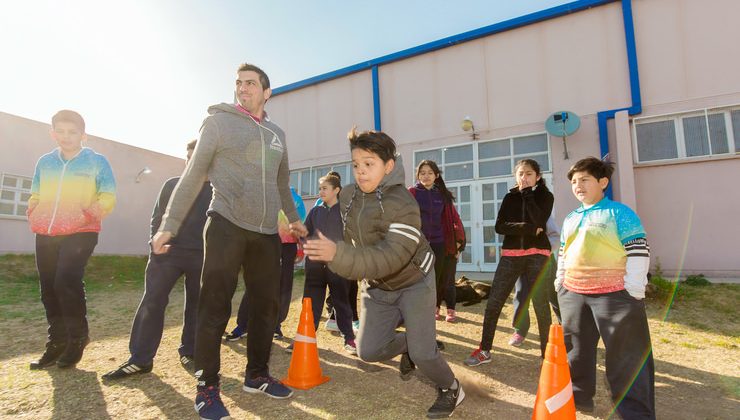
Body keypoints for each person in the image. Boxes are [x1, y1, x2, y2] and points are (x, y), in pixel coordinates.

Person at [151, 63, 307, 420]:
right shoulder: (218, 123)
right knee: (215, 307)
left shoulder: (277, 134)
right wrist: (169, 224)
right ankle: (207, 387)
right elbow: (193, 174)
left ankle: (257, 375)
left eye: (251, 83)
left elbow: (282, 184)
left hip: (267, 233)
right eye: (239, 83)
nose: (242, 88)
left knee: (265, 307)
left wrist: (295, 221)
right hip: (226, 224)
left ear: (267, 92)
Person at [303, 128, 465, 419]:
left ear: (389, 166)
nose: (361, 172)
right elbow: (342, 235)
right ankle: (411, 344)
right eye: (356, 165)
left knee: (425, 353)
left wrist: (337, 255)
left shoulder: (403, 203)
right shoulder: (350, 195)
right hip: (377, 287)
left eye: (369, 164)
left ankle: (451, 387)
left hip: (414, 281)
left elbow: (391, 258)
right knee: (368, 351)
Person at [102, 140, 211, 380]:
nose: (192, 162)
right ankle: (140, 359)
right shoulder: (171, 185)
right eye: (189, 157)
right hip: (167, 255)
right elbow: (157, 218)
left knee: (197, 305)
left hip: (201, 256)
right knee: (152, 301)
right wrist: (154, 242)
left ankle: (190, 351)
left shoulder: (217, 191)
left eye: (199, 157)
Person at [556, 157, 654, 418]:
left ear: (603, 182)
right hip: (574, 294)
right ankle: (579, 399)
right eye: (574, 181)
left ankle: (635, 413)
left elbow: (638, 251)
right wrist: (560, 280)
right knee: (576, 353)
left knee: (626, 359)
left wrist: (633, 288)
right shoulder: (570, 217)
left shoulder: (620, 213)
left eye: (584, 179)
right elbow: (564, 252)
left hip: (615, 296)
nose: (578, 185)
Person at [27, 110, 116, 369]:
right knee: (48, 286)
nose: (66, 137)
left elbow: (108, 195)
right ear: (53, 133)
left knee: (65, 279)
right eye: (61, 131)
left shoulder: (97, 161)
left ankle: (78, 337)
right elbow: (35, 192)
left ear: (83, 135)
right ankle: (57, 341)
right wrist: (33, 211)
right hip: (46, 232)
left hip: (82, 231)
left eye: (72, 132)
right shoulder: (45, 162)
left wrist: (88, 214)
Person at [464, 159, 553, 367]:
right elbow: (499, 227)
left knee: (541, 305)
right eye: (521, 174)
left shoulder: (545, 196)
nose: (524, 178)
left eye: (529, 174)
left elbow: (540, 219)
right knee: (494, 302)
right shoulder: (509, 197)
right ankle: (484, 350)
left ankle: (546, 354)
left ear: (537, 177)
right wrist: (529, 228)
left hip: (537, 254)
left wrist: (528, 195)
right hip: (511, 254)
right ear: (516, 176)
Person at [224, 186, 306, 342]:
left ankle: (275, 326)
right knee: (255, 284)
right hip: (264, 243)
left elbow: (299, 223)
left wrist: (300, 248)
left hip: (287, 246)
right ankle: (243, 325)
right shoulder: (262, 191)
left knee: (282, 287)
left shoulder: (295, 199)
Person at [299, 172, 356, 354]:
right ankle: (305, 339)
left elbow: (352, 237)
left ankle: (349, 338)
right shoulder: (315, 211)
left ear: (336, 190)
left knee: (341, 303)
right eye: (319, 189)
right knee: (310, 303)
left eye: (324, 188)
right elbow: (305, 233)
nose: (320, 192)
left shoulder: (345, 212)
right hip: (315, 266)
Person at [409, 160, 465, 323]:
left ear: (436, 175)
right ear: (418, 176)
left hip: (439, 243)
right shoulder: (412, 192)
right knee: (418, 277)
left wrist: (458, 243)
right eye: (422, 173)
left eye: (429, 173)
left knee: (437, 277)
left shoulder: (442, 195)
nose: (425, 176)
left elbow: (453, 219)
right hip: (419, 244)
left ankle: (435, 307)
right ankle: (416, 308)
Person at [509, 215, 562, 347]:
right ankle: (520, 330)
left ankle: (565, 326)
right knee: (521, 295)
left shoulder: (543, 212)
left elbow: (555, 237)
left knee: (552, 295)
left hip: (544, 261)